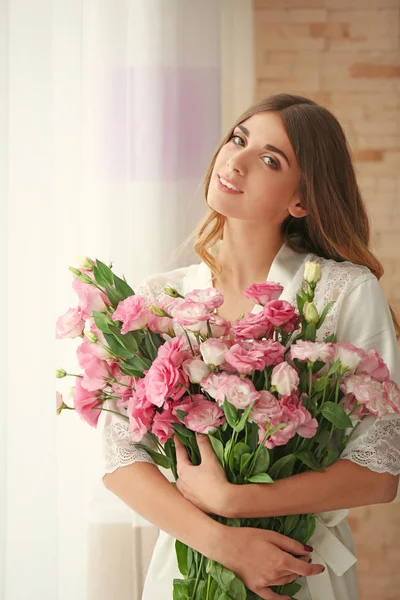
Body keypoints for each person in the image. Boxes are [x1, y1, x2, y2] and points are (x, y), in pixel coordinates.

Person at [102, 94, 400, 600]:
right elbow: (119, 460)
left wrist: (234, 500)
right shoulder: (160, 300)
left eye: (269, 159)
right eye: (238, 139)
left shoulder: (341, 292)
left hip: (296, 567)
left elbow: (379, 470)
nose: (235, 160)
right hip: (188, 566)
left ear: (301, 201)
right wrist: (225, 544)